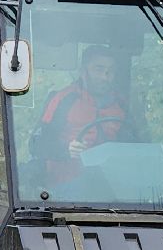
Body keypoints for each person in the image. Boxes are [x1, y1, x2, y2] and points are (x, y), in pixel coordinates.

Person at [30, 46, 137, 183]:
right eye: (98, 69)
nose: (105, 77)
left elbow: (135, 147)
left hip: (109, 183)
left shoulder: (121, 106)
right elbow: (36, 144)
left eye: (110, 71)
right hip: (62, 186)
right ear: (83, 71)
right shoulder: (64, 99)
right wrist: (67, 149)